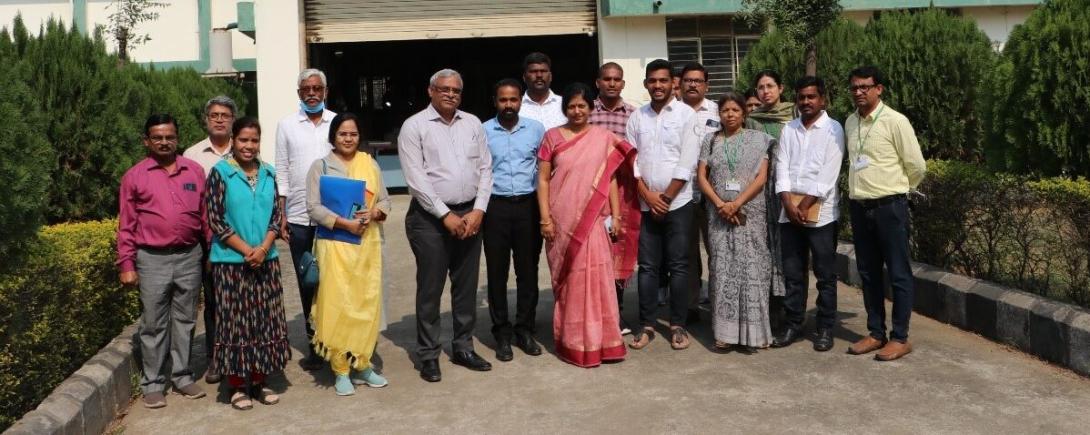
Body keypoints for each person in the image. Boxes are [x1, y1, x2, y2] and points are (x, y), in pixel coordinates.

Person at [398, 68, 494, 382]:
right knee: (431, 288)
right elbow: (417, 180)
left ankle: (463, 346)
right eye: (444, 89)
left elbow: (485, 168)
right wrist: (445, 215)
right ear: (431, 91)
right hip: (430, 220)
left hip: (470, 215)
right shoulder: (414, 127)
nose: (450, 94)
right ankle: (428, 354)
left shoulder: (473, 123)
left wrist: (479, 210)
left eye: (455, 90)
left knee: (465, 287)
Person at [538, 82, 640, 367]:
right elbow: (543, 179)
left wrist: (617, 215)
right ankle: (573, 341)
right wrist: (545, 218)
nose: (577, 111)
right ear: (564, 109)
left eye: (582, 106)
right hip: (562, 218)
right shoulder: (551, 137)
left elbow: (612, 178)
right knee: (571, 280)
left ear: (590, 108)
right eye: (571, 106)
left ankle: (603, 341)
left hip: (594, 220)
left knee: (596, 277)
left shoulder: (603, 138)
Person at [117, 114, 207, 408]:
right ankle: (153, 382)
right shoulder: (135, 176)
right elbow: (127, 225)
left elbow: (205, 218)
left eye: (169, 136)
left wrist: (211, 254)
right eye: (158, 137)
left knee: (185, 320)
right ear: (147, 141)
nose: (164, 142)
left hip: (189, 256)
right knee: (153, 323)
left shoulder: (194, 171)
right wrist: (127, 265)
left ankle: (182, 376)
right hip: (151, 259)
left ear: (177, 138)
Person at [206, 117, 291, 410]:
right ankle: (237, 386)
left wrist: (264, 247)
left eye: (254, 140)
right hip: (231, 262)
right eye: (243, 140)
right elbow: (216, 219)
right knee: (235, 323)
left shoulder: (268, 172)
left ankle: (259, 380)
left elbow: (276, 216)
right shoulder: (220, 173)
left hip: (266, 260)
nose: (249, 146)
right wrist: (247, 251)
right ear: (233, 140)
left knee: (264, 322)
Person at [844, 66, 926, 361]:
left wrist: (900, 191)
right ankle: (876, 333)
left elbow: (917, 165)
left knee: (899, 273)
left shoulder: (895, 121)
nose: (859, 92)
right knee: (868, 273)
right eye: (854, 87)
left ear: (879, 89)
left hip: (889, 207)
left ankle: (900, 337)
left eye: (865, 86)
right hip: (860, 206)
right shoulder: (850, 122)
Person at [307, 112, 392, 395]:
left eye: (353, 134)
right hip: (335, 245)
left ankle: (363, 365)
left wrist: (375, 212)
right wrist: (345, 223)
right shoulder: (321, 167)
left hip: (366, 247)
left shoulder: (370, 164)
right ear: (333, 136)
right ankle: (340, 368)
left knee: (365, 304)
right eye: (342, 133)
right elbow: (314, 208)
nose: (348, 138)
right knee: (337, 303)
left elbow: (385, 201)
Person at [696, 92, 777, 351]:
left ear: (744, 113)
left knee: (753, 268)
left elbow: (761, 178)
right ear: (718, 114)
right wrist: (721, 204)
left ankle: (755, 334)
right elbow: (701, 177)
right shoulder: (710, 140)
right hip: (718, 215)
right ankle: (725, 334)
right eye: (725, 110)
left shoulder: (758, 140)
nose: (729, 114)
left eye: (735, 110)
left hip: (750, 215)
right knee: (721, 269)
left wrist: (737, 203)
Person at [626, 59, 698, 351]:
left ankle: (678, 325)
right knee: (647, 267)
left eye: (663, 81)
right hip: (646, 204)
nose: (658, 86)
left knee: (680, 266)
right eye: (652, 81)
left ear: (674, 83)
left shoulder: (686, 115)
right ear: (646, 84)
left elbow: (688, 161)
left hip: (678, 203)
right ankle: (647, 325)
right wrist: (648, 196)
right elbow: (631, 162)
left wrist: (666, 198)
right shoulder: (636, 118)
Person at [769, 77, 845, 352]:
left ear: (822, 99)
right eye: (801, 97)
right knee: (793, 272)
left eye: (811, 97)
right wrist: (788, 203)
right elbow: (782, 166)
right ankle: (794, 323)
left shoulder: (833, 129)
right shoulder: (789, 128)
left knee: (825, 274)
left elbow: (828, 174)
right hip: (789, 211)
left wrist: (804, 205)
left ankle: (825, 327)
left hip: (821, 213)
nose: (805, 102)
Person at [275, 68, 336, 371]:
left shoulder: (336, 123)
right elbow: (282, 170)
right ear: (299, 93)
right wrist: (282, 213)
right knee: (307, 281)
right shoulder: (287, 125)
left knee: (334, 281)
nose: (312, 93)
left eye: (317, 88)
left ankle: (335, 341)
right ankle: (314, 344)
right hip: (299, 217)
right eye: (306, 89)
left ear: (325, 91)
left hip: (333, 217)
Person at [482, 79, 547, 362]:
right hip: (494, 208)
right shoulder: (482, 131)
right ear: (495, 101)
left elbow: (545, 170)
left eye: (513, 100)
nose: (508, 105)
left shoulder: (535, 130)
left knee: (527, 271)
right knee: (497, 273)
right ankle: (502, 334)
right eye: (503, 100)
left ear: (521, 100)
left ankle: (525, 329)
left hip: (527, 207)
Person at [183, 95, 237, 385]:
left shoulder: (243, 150)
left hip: (241, 236)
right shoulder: (192, 155)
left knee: (239, 299)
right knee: (214, 300)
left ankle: (241, 354)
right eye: (214, 115)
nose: (219, 119)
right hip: (208, 238)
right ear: (206, 119)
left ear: (232, 120)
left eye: (225, 115)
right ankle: (216, 357)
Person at [588, 62, 638, 335]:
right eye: (606, 79)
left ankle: (616, 315)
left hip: (622, 192)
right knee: (594, 255)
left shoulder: (633, 115)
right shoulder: (585, 113)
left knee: (619, 252)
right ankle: (595, 316)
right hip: (592, 192)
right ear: (598, 82)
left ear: (622, 83)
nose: (611, 83)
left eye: (616, 79)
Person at [678, 62, 719, 318]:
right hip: (681, 194)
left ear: (706, 85)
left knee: (716, 250)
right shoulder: (671, 111)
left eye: (698, 81)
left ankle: (717, 304)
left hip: (713, 195)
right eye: (688, 80)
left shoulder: (717, 110)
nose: (692, 84)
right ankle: (691, 304)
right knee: (687, 253)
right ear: (680, 83)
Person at [520, 52, 566, 129]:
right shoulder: (516, 107)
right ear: (524, 77)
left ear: (550, 76)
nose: (539, 75)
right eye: (533, 71)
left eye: (543, 71)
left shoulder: (564, 104)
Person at [748, 70, 795, 139]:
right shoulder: (752, 120)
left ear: (780, 88)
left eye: (770, 86)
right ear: (757, 91)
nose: (765, 91)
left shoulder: (795, 112)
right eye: (761, 87)